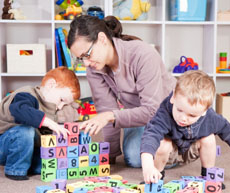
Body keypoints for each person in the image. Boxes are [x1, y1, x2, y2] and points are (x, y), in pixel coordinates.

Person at [67, 15, 176, 167]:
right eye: (80, 58)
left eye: (87, 54)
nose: (86, 63)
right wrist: (108, 156)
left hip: (169, 114)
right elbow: (105, 108)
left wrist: (110, 116)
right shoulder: (94, 68)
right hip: (139, 116)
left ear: (102, 39)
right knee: (132, 156)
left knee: (138, 158)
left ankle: (187, 143)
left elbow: (153, 111)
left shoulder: (142, 54)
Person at [140, 70, 230, 185]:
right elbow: (150, 136)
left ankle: (208, 174)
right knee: (163, 143)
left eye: (192, 115)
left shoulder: (209, 117)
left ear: (204, 111)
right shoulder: (164, 113)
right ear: (173, 97)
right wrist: (148, 165)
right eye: (179, 110)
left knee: (209, 138)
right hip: (169, 154)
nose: (183, 118)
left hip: (191, 150)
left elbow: (224, 126)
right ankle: (155, 177)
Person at [0, 67, 80, 180]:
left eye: (65, 104)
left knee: (52, 163)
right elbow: (20, 111)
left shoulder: (54, 107)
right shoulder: (27, 94)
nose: (61, 106)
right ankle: (15, 170)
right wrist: (50, 123)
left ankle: (27, 164)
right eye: (62, 100)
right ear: (51, 85)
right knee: (26, 130)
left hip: (28, 148)